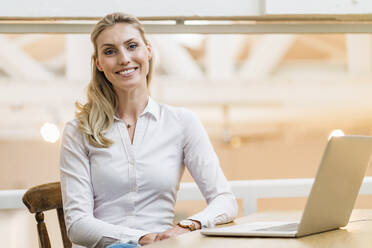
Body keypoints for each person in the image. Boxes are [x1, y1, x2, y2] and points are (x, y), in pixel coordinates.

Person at [59, 12, 238, 248]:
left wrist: (186, 226)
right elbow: (78, 225)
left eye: (132, 46)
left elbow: (225, 200)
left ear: (148, 51)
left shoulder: (182, 123)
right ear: (99, 63)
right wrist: (141, 238)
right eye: (110, 51)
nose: (124, 58)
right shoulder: (78, 131)